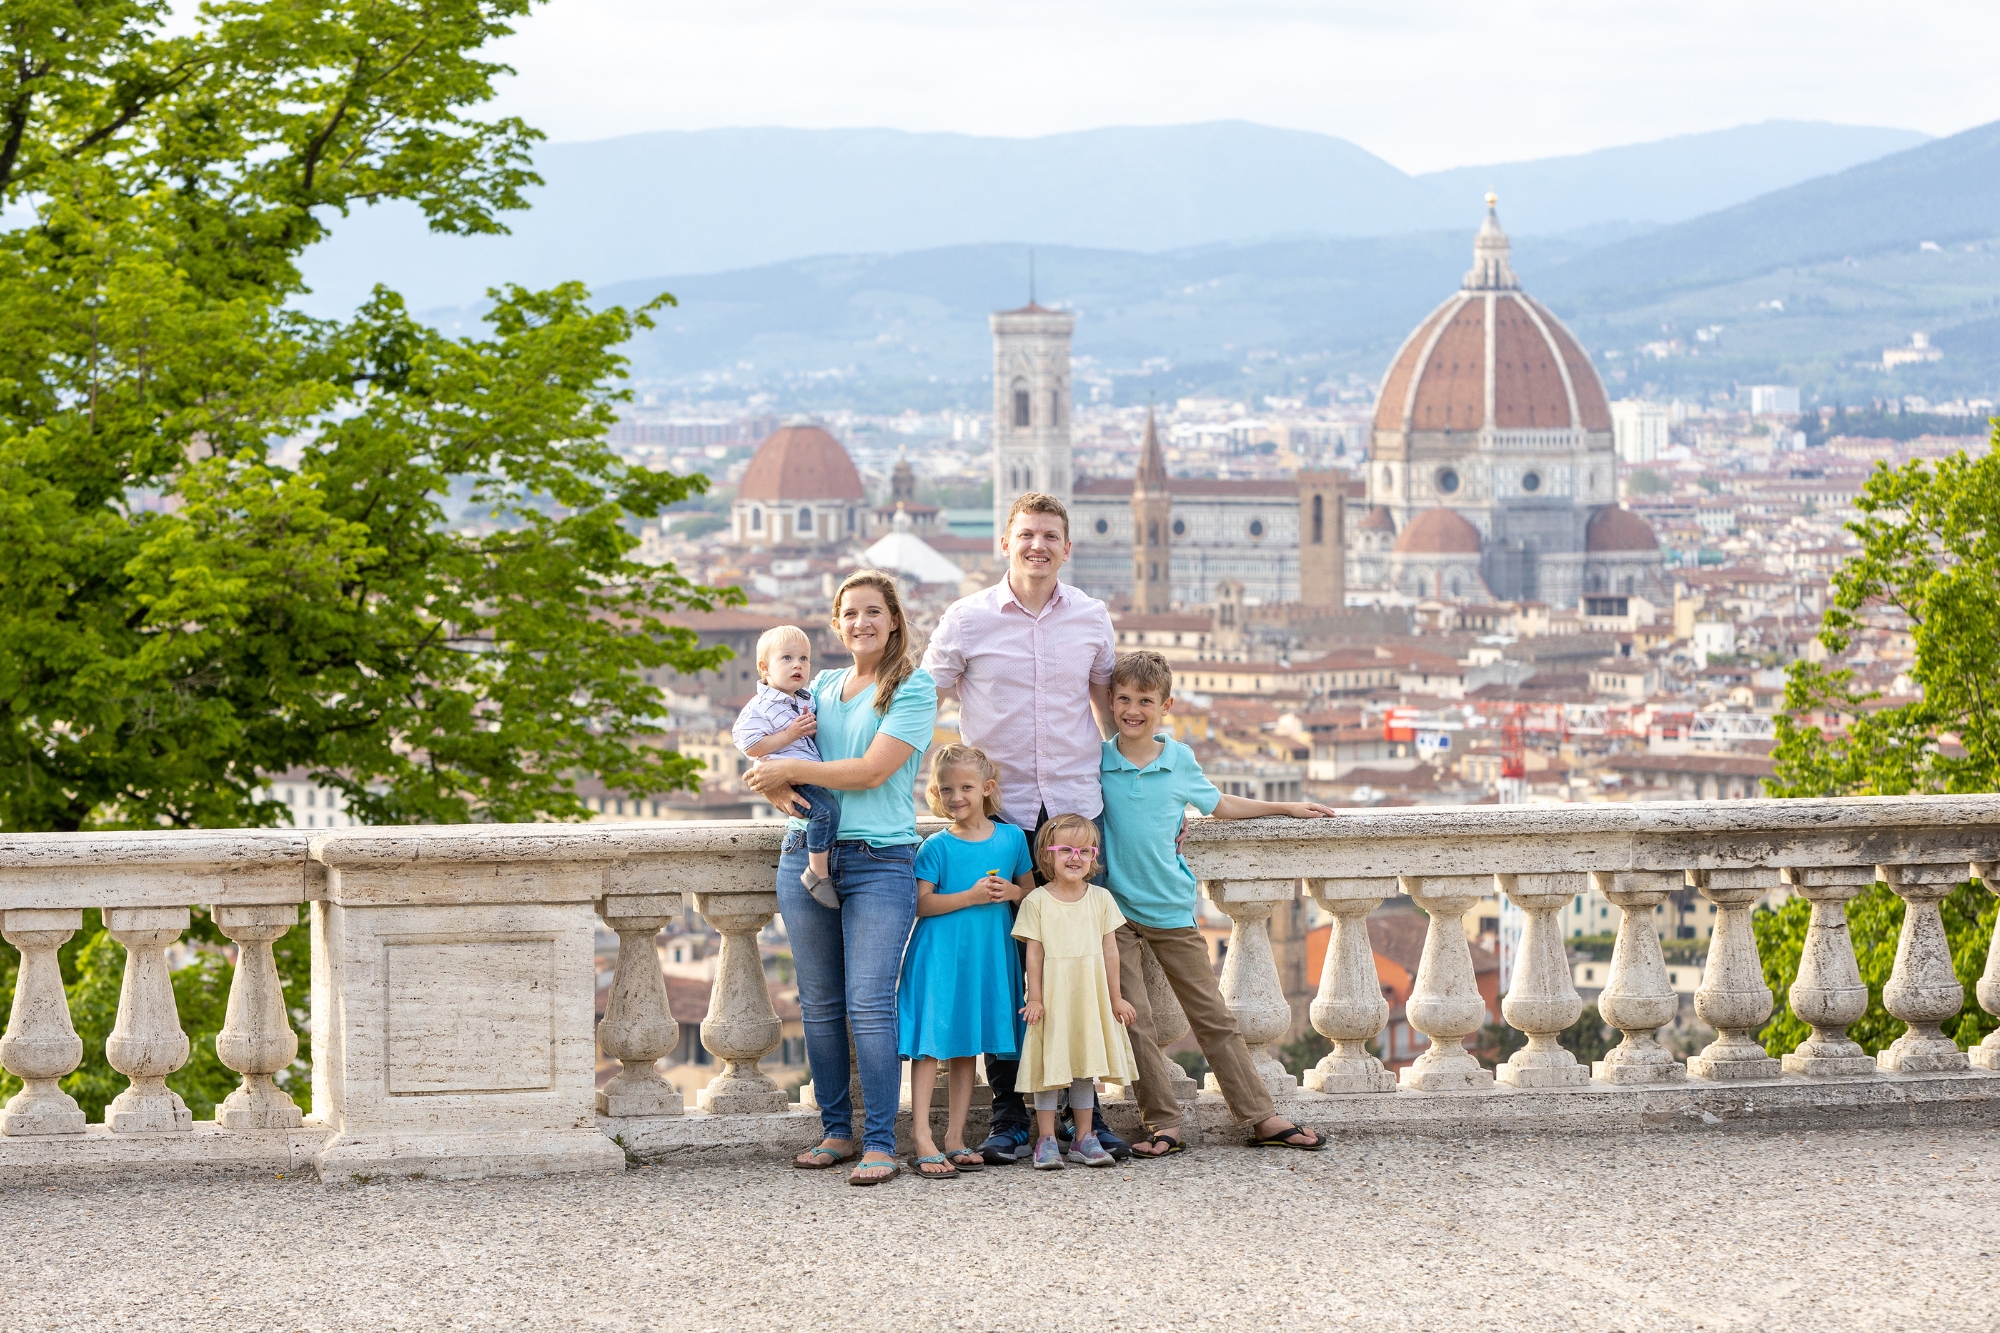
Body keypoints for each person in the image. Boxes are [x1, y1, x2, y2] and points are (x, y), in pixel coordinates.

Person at [922, 491, 1129, 1164]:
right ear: (1004, 543)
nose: (1037, 545)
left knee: (1081, 966)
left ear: (1067, 547)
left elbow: (1109, 714)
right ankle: (1011, 1117)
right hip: (999, 819)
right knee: (1004, 971)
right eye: (1027, 534)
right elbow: (920, 702)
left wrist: (1144, 806)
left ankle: (1083, 1116)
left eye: (1049, 536)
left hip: (1073, 813)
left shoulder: (1092, 618)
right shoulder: (968, 618)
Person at [1098, 650, 1334, 1158]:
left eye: (1145, 700)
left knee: (1214, 1019)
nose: (1133, 710)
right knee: (1135, 1021)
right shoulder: (1098, 760)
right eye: (1123, 699)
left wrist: (1284, 807)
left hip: (1171, 909)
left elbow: (1220, 805)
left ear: (1166, 706)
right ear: (1110, 701)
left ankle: (1260, 1116)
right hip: (1113, 914)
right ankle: (1163, 1123)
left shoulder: (1178, 759)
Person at [744, 570, 938, 1187]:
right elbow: (766, 742)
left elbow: (872, 772)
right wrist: (775, 780)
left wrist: (783, 777)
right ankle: (835, 1131)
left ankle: (881, 1141)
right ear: (836, 624)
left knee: (870, 1005)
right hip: (805, 851)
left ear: (894, 620)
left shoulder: (912, 687)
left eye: (873, 612)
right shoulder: (818, 686)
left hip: (881, 861)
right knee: (821, 1006)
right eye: (849, 613)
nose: (861, 622)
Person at [897, 745, 1037, 1180]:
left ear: (987, 789)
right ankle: (922, 1136)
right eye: (946, 789)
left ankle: (955, 1137)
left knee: (967, 1046)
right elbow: (920, 905)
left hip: (987, 955)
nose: (956, 796)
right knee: (928, 1046)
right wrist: (971, 897)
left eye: (966, 787)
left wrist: (1011, 894)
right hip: (939, 955)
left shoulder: (1012, 838)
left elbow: (1031, 895)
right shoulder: (935, 846)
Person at [1013, 814, 1137, 1171]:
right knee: (1050, 1065)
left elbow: (1111, 951)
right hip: (1053, 994)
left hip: (1089, 993)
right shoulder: (1037, 900)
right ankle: (1047, 1139)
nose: (1075, 857)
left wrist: (1115, 998)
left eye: (1084, 850)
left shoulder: (1100, 899)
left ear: (1093, 856)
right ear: (1047, 855)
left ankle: (1085, 1137)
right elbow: (1033, 953)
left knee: (1083, 1066)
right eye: (1065, 849)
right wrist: (1034, 997)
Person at [731, 625, 840, 909]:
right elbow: (751, 746)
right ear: (764, 668)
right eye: (787, 658)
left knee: (826, 810)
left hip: (806, 772)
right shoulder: (760, 706)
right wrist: (790, 736)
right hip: (793, 778)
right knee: (826, 812)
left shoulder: (805, 698)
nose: (798, 665)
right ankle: (818, 873)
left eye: (804, 659)